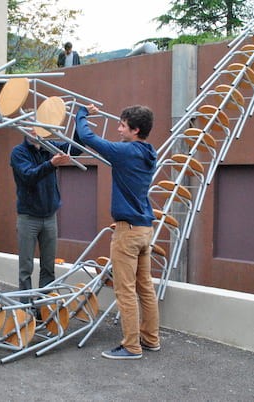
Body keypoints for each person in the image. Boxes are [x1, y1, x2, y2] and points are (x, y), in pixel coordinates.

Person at [75, 104, 160, 360]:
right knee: (145, 287)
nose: (118, 128)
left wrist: (82, 112)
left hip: (128, 231)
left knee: (125, 291)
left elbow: (88, 137)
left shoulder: (125, 152)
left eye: (122, 125)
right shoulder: (148, 151)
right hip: (144, 229)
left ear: (135, 130)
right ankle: (151, 339)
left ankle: (132, 346)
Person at [10, 130, 82, 311]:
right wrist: (51, 164)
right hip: (28, 218)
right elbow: (28, 176)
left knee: (48, 268)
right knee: (25, 269)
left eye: (38, 126)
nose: (36, 131)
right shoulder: (19, 152)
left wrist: (81, 118)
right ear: (25, 129)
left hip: (49, 217)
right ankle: (25, 311)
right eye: (31, 127)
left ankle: (44, 309)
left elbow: (75, 149)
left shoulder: (50, 147)